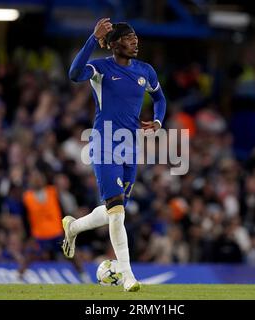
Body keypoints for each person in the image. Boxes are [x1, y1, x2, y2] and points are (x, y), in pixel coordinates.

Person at [63, 18, 167, 292]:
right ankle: (128, 275)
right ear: (113, 44)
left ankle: (72, 228)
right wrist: (90, 38)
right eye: (129, 38)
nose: (135, 41)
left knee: (114, 212)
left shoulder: (146, 71)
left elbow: (160, 98)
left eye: (135, 37)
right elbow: (74, 74)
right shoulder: (100, 68)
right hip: (104, 144)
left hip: (130, 147)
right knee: (117, 213)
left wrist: (157, 122)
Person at [21, 169, 91, 283]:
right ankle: (19, 276)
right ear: (30, 181)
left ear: (44, 180)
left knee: (71, 254)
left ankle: (83, 275)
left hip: (56, 232)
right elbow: (25, 219)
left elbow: (62, 210)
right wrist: (28, 236)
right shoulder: (27, 197)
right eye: (34, 178)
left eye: (39, 178)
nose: (37, 180)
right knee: (30, 256)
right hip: (39, 234)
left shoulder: (52, 191)